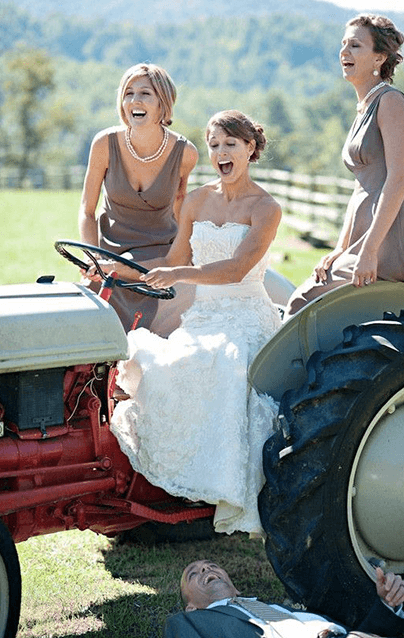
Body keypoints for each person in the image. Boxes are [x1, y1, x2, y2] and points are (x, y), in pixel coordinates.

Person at [110, 110, 282, 537]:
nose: (221, 152)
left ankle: (227, 491)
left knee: (225, 362)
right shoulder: (197, 200)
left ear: (250, 149)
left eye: (231, 144)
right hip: (204, 316)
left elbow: (237, 269)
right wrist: (116, 270)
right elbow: (171, 263)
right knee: (162, 363)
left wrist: (179, 275)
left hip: (246, 317)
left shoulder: (267, 207)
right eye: (215, 144)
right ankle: (176, 487)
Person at [284, 14, 404, 318]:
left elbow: (398, 180)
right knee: (304, 302)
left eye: (356, 45)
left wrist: (369, 250)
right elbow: (361, 188)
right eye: (343, 44)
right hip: (366, 237)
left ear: (379, 57)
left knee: (303, 301)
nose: (344, 52)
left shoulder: (391, 102)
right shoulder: (364, 106)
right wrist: (340, 248)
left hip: (394, 238)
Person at [78, 62, 198, 334]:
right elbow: (87, 210)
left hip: (157, 253)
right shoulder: (104, 145)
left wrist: (184, 257)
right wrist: (92, 258)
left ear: (162, 103)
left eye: (145, 93)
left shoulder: (185, 154)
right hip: (109, 250)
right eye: (129, 93)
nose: (135, 100)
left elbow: (180, 208)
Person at [163, 558, 404, 637]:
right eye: (193, 574)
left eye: (211, 565)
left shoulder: (284, 611)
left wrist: (388, 604)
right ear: (191, 607)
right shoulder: (188, 623)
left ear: (236, 589)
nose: (206, 569)